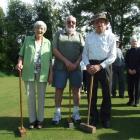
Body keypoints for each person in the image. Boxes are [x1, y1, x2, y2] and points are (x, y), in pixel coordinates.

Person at [82, 12, 116, 128]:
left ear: (106, 24)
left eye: (102, 21)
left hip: (105, 66)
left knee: (107, 93)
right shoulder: (89, 36)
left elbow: (113, 56)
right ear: (94, 24)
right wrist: (87, 65)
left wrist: (100, 66)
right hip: (90, 66)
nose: (99, 24)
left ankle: (105, 118)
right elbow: (84, 54)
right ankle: (94, 117)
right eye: (97, 22)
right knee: (91, 94)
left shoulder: (111, 36)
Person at [16, 21, 52, 129]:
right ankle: (32, 121)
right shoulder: (27, 40)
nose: (39, 30)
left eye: (41, 28)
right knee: (30, 97)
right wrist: (19, 63)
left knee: (41, 98)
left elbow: (50, 60)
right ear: (34, 29)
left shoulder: (48, 42)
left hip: (43, 73)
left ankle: (40, 120)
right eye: (37, 28)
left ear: (44, 30)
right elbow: (21, 55)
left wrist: (51, 74)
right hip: (28, 72)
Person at [52, 15, 84, 125]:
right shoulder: (58, 34)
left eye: (73, 22)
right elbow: (54, 50)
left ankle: (76, 113)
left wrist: (75, 64)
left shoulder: (79, 35)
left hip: (76, 68)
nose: (71, 24)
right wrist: (66, 62)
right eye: (69, 22)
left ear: (76, 24)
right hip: (60, 67)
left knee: (76, 90)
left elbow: (83, 52)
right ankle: (57, 113)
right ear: (65, 23)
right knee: (59, 90)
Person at [125, 36, 140, 107]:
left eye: (135, 41)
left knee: (137, 87)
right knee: (130, 87)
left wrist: (136, 70)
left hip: (138, 72)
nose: (134, 42)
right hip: (129, 72)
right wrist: (128, 69)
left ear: (137, 42)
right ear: (130, 42)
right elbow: (126, 62)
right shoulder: (128, 51)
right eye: (133, 41)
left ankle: (136, 101)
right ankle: (131, 100)